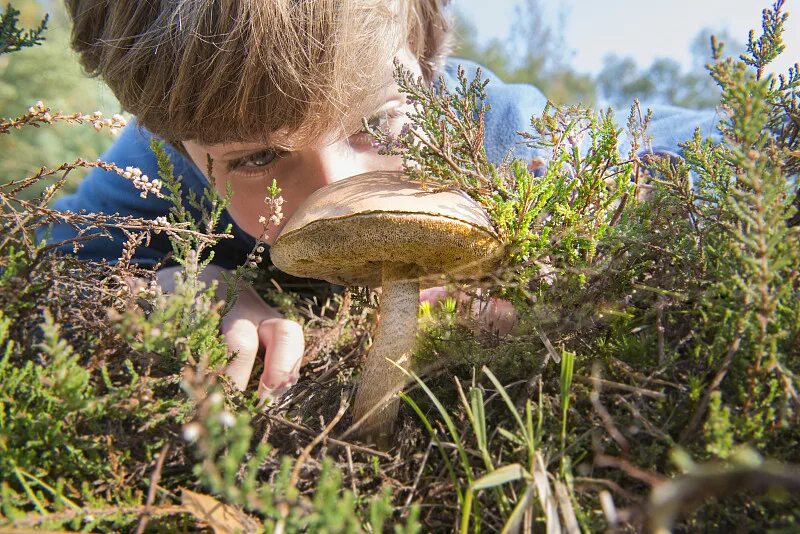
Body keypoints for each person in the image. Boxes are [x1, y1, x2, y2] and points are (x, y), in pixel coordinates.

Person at [50, 0, 718, 401]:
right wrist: (197, 282)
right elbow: (67, 252)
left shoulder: (496, 134)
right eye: (258, 158)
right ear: (173, 139)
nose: (340, 191)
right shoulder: (165, 159)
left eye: (383, 125)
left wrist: (572, 238)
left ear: (427, 67)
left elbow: (710, 146)